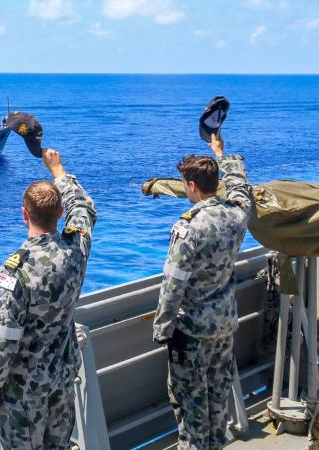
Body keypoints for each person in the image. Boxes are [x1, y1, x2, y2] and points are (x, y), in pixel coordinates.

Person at [0, 149, 97, 450]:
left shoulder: (14, 270)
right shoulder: (76, 251)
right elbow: (84, 208)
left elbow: (4, 340)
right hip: (61, 380)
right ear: (60, 213)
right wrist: (58, 170)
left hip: (24, 392)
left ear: (24, 214)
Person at [153, 133, 253, 450]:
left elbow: (173, 284)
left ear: (193, 185)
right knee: (217, 407)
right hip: (223, 327)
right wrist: (223, 153)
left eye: (185, 183)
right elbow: (241, 189)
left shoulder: (188, 227)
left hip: (191, 334)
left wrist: (162, 327)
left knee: (192, 412)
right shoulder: (237, 215)